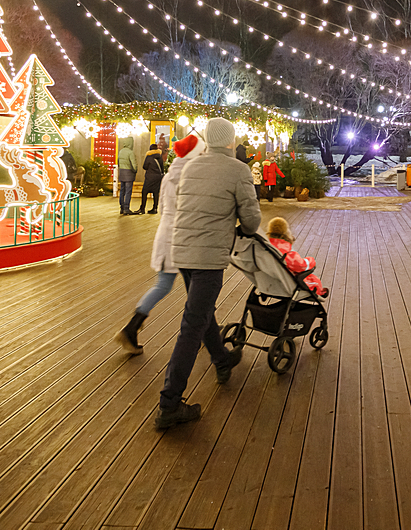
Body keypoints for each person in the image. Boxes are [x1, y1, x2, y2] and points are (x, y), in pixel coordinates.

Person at [157, 117, 260, 430]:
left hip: (183, 251)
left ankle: (221, 359)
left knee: (200, 313)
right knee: (192, 324)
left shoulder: (191, 166)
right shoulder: (238, 169)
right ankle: (170, 404)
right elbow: (252, 219)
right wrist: (241, 226)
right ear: (229, 141)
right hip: (207, 257)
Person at [118, 133, 206, 355]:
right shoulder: (190, 177)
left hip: (167, 237)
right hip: (182, 242)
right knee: (198, 292)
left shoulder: (172, 174)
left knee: (166, 286)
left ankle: (132, 327)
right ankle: (207, 334)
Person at [265, 216, 329, 298]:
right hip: (287, 284)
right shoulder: (288, 254)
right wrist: (311, 260)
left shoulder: (266, 249)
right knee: (311, 278)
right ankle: (320, 291)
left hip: (270, 282)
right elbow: (301, 266)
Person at [138, 143, 164, 214]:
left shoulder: (149, 157)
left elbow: (145, 167)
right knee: (156, 193)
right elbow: (162, 168)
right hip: (157, 178)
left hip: (150, 177)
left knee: (144, 192)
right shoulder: (160, 157)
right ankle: (155, 208)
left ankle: (142, 208)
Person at [117, 136, 138, 215]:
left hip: (122, 172)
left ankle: (121, 208)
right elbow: (133, 165)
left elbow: (118, 162)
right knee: (128, 191)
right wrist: (135, 170)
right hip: (129, 173)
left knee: (122, 191)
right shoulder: (130, 152)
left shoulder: (121, 151)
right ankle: (126, 208)